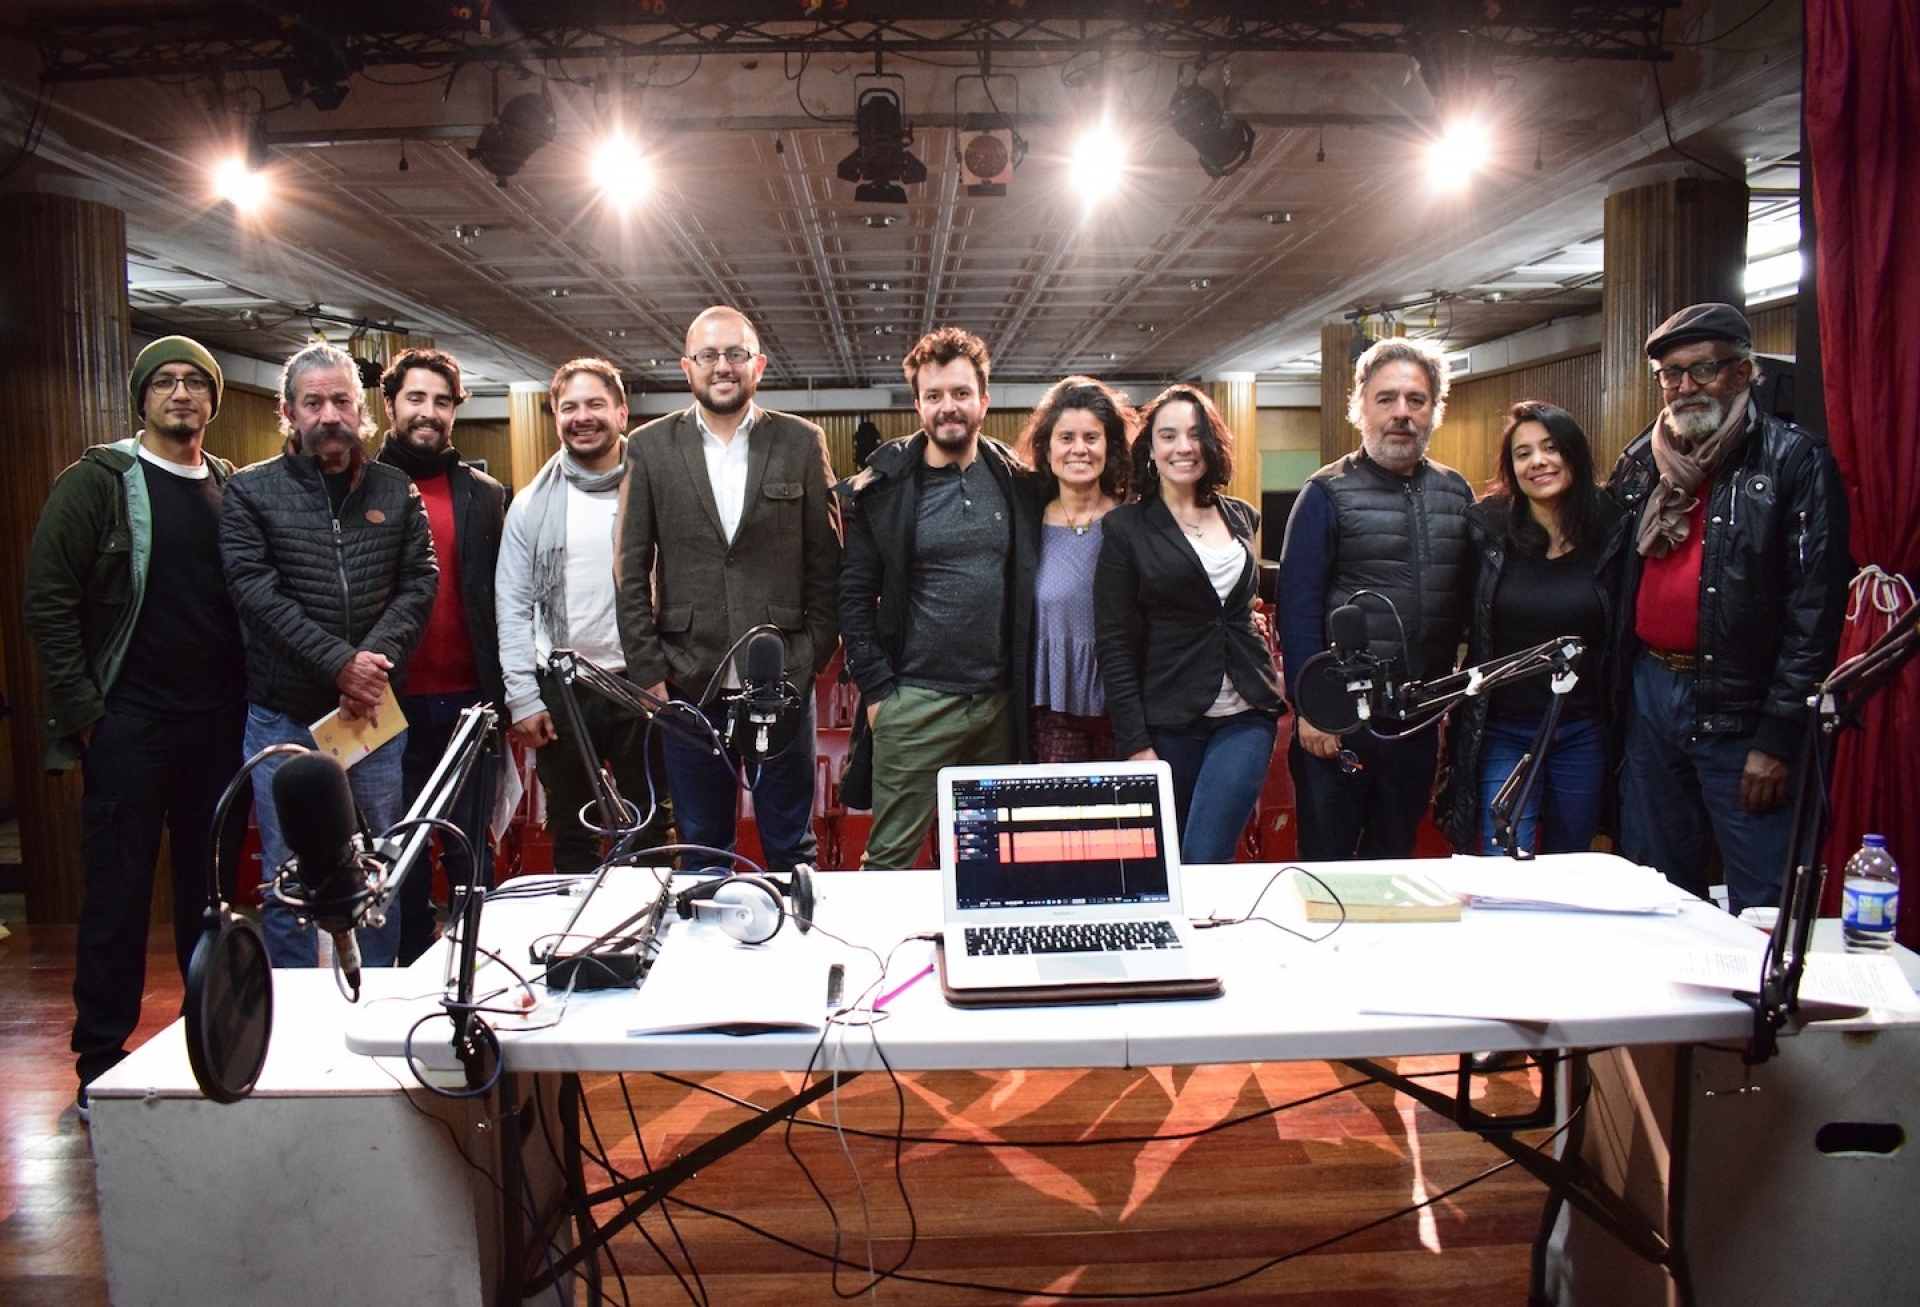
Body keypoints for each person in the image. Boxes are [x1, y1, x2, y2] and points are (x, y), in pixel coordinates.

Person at [23, 336, 246, 1119]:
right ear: (142, 397)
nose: (181, 393)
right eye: (165, 381)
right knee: (117, 896)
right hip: (131, 723)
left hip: (219, 725)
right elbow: (47, 599)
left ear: (212, 399)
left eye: (195, 382)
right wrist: (86, 711)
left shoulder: (229, 485)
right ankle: (99, 1058)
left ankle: (204, 1044)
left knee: (208, 897)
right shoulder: (99, 481)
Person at [1609, 303, 1848, 914]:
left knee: (1764, 896)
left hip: (1742, 705)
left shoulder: (1793, 460)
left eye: (1704, 369)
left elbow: (1814, 612)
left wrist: (1779, 737)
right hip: (1650, 691)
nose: (1685, 386)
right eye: (1671, 374)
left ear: (1742, 372)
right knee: (1654, 888)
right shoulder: (1642, 462)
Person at [221, 341, 437, 968]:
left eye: (341, 401)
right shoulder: (249, 492)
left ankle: (375, 1001)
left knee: (374, 868)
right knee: (287, 876)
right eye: (312, 403)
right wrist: (340, 665)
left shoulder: (396, 489)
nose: (329, 415)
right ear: (288, 413)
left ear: (361, 411)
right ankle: (298, 1009)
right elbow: (255, 594)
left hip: (367, 715)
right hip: (282, 716)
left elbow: (418, 583)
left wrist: (366, 669)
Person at [616, 306, 842, 873]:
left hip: (781, 675)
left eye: (736, 354)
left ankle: (798, 930)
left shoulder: (800, 441)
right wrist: (647, 670)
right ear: (686, 367)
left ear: (758, 365)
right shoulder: (648, 447)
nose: (723, 366)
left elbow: (827, 561)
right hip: (686, 678)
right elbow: (629, 567)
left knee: (792, 846)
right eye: (709, 355)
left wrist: (810, 654)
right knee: (701, 846)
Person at [837, 326, 1037, 869]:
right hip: (914, 702)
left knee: (987, 867)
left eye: (961, 393)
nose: (949, 406)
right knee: (889, 864)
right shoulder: (884, 488)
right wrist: (879, 695)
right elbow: (854, 597)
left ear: (984, 401)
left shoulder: (1016, 480)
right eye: (934, 395)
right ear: (918, 405)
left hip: (997, 707)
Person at [1278, 337, 1474, 861]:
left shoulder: (1457, 494)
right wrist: (1312, 710)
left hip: (1417, 722)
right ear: (1361, 407)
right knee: (1328, 868)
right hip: (1340, 722)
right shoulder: (1325, 493)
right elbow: (1297, 611)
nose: (1401, 413)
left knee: (1394, 860)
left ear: (1434, 409)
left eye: (1416, 399)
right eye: (1386, 399)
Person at [1094, 385, 1282, 864]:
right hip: (1168, 719)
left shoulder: (1242, 517)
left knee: (1204, 856)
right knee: (1165, 862)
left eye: (1196, 435)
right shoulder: (1126, 528)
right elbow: (1113, 642)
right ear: (1151, 448)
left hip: (1246, 713)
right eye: (1169, 435)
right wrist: (1135, 743)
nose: (1184, 447)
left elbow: (1234, 607)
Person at [497, 358, 669, 871]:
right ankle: (581, 924)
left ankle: (651, 920)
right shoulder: (530, 504)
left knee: (652, 828)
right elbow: (512, 606)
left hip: (644, 683)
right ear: (556, 417)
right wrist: (522, 697)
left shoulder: (657, 491)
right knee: (573, 833)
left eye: (595, 404)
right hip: (564, 688)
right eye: (569, 407)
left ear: (621, 412)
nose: (582, 417)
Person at [1438, 402, 1629, 856]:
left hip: (1582, 728)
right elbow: (1451, 616)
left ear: (1574, 454)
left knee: (1570, 861)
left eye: (1550, 448)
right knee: (1504, 860)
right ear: (1512, 468)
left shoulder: (1613, 528)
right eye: (1523, 454)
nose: (1538, 461)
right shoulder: (1485, 531)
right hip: (1503, 727)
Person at [373, 348, 508, 964]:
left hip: (469, 703)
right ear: (389, 404)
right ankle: (406, 974)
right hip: (386, 704)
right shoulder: (360, 484)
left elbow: (502, 599)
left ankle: (476, 973)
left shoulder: (485, 494)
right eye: (415, 398)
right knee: (394, 852)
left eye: (442, 401)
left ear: (456, 409)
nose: (428, 412)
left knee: (469, 852)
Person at [1019, 376, 1134, 763]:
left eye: (1091, 437)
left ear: (1109, 447)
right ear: (1047, 447)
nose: (1079, 449)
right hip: (1051, 706)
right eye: (1066, 438)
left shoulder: (1132, 521)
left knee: (1122, 805)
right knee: (1061, 802)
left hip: (1124, 703)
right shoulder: (1026, 521)